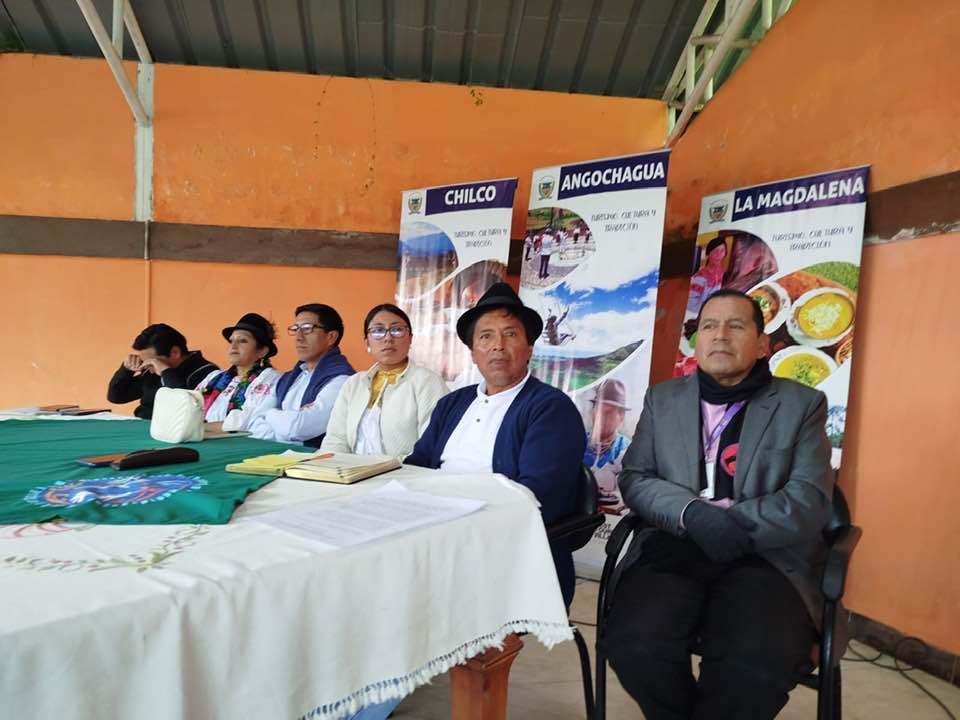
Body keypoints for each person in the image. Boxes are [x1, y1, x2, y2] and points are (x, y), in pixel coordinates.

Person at [603, 289, 834, 720]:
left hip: (764, 554)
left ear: (762, 344)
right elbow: (636, 477)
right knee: (635, 646)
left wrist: (732, 521)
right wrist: (693, 515)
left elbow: (809, 500)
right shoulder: (663, 400)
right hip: (676, 544)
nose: (720, 335)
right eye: (709, 326)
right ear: (697, 341)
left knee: (753, 666)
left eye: (736, 325)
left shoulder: (801, 405)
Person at [406, 282, 586, 607]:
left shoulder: (550, 408)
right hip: (435, 535)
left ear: (529, 348)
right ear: (473, 352)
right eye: (485, 336)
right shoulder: (452, 404)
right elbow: (417, 466)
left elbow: (536, 495)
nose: (497, 346)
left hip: (504, 548)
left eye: (510, 334)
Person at [321, 304, 448, 457]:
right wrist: (335, 467)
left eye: (397, 330)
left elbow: (430, 446)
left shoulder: (428, 382)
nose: (388, 338)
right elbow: (335, 440)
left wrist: (389, 468)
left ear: (410, 339)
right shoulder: (353, 384)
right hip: (350, 470)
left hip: (406, 470)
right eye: (378, 331)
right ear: (367, 342)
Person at [245, 304, 354, 446]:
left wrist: (268, 414)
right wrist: (285, 420)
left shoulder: (342, 380)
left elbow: (298, 428)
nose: (299, 337)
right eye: (296, 329)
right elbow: (252, 424)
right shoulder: (288, 378)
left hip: (315, 458)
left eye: (307, 328)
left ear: (331, 337)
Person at [107, 324, 218, 419]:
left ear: (175, 352)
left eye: (151, 361)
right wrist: (126, 370)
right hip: (142, 424)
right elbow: (116, 397)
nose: (146, 365)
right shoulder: (151, 369)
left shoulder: (208, 373)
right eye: (144, 360)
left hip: (173, 431)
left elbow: (186, 408)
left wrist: (166, 372)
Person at [195, 313, 282, 432]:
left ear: (262, 351)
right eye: (231, 341)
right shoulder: (214, 377)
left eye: (242, 341)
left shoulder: (271, 380)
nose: (233, 346)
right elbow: (188, 408)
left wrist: (198, 428)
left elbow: (245, 423)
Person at [583, 378, 631, 514]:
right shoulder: (577, 443)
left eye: (608, 413)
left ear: (621, 417)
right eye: (598, 410)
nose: (601, 418)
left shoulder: (627, 451)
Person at [686, 236, 727, 315]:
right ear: (708, 255)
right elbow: (690, 305)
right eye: (715, 251)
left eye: (722, 250)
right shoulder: (700, 277)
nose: (719, 255)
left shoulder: (722, 272)